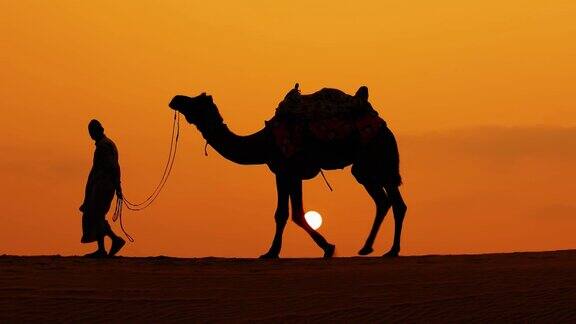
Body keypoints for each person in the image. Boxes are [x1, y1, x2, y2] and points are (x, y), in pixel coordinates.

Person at [79, 119, 125, 257]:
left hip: (103, 186)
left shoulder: (104, 146)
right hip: (102, 185)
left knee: (97, 215)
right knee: (97, 216)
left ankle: (108, 245)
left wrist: (118, 187)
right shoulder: (107, 144)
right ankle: (109, 244)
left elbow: (112, 166)